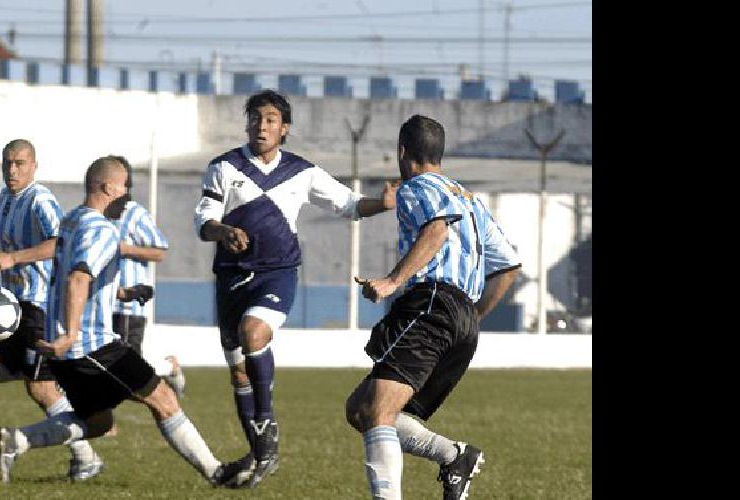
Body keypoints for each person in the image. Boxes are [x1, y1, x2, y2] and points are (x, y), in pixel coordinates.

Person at [0, 156, 250, 487]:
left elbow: (78, 276)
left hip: (69, 351)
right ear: (108, 187)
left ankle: (17, 441)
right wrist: (71, 333)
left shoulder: (71, 221)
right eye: (125, 186)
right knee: (163, 398)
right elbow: (77, 279)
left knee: (97, 422)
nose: (127, 193)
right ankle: (218, 473)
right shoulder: (102, 230)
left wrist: (123, 293)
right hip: (93, 344)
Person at [193, 89, 399, 488]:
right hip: (232, 278)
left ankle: (267, 423)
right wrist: (223, 231)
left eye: (270, 119)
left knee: (254, 334)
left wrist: (382, 203)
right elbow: (204, 221)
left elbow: (348, 203)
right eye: (255, 118)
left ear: (284, 128)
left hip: (277, 273)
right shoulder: (223, 167)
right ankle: (260, 453)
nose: (261, 125)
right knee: (238, 375)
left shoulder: (301, 172)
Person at [347, 115, 521, 500]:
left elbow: (436, 228)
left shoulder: (416, 187)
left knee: (377, 413)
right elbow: (508, 267)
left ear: (402, 152)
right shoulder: (469, 198)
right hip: (461, 321)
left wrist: (392, 281)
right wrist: (469, 319)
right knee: (361, 408)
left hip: (431, 305)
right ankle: (454, 456)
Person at [0, 139, 105, 482]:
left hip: (38, 305)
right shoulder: (4, 198)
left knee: (41, 389)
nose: (13, 170)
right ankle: (34, 369)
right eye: (8, 163)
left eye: (20, 163)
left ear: (34, 166)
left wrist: (14, 259)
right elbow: (5, 247)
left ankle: (87, 459)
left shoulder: (40, 199)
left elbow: (60, 242)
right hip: (8, 305)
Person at [104, 155, 186, 398]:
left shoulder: (135, 214)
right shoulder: (98, 214)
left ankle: (168, 370)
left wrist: (125, 248)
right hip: (101, 301)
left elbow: (160, 251)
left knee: (126, 369)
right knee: (106, 365)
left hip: (128, 303)